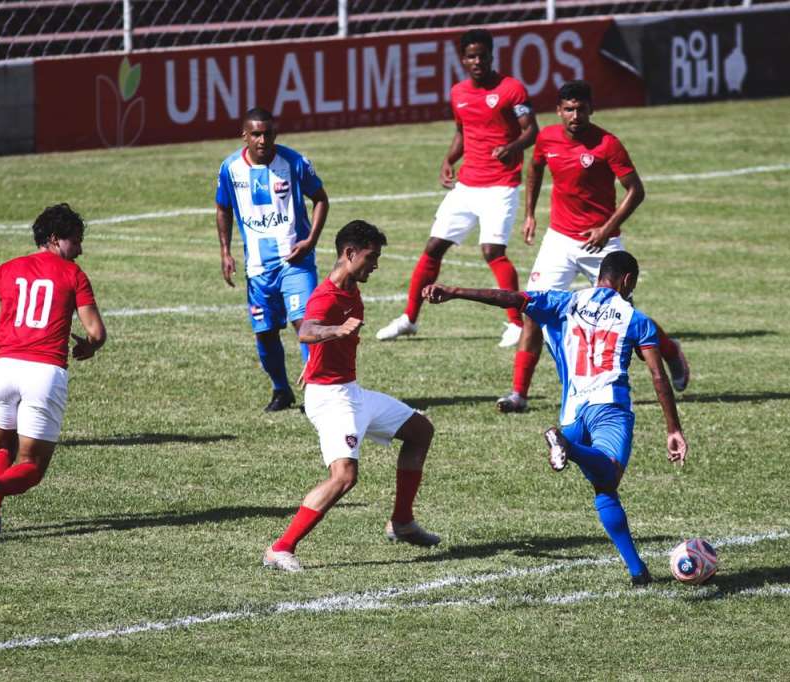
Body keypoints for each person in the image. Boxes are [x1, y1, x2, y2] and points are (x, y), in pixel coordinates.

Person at [423, 250, 687, 585]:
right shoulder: (636, 319)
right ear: (628, 281)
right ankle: (569, 447)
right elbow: (658, 377)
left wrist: (455, 292)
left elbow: (511, 298)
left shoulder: (566, 302)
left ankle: (638, 572)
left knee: (604, 490)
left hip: (573, 413)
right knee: (609, 476)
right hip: (609, 409)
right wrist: (673, 429)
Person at [497, 80, 689, 414]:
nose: (575, 115)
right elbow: (536, 169)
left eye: (581, 109)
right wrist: (529, 214)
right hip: (559, 239)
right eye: (568, 109)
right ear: (558, 111)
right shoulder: (546, 139)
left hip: (602, 242)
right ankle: (519, 395)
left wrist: (607, 229)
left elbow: (636, 190)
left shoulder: (607, 144)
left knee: (622, 318)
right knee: (532, 311)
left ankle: (670, 351)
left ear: (591, 109)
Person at [264, 220, 439, 572]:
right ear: (349, 253)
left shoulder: (349, 287)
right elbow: (307, 330)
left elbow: (317, 341)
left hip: (350, 391)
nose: (375, 264)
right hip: (331, 400)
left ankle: (402, 521)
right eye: (371, 257)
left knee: (420, 430)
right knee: (344, 477)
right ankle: (280, 548)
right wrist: (333, 332)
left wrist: (315, 360)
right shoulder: (327, 295)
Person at [0, 203, 106, 536]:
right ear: (55, 239)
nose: (80, 250)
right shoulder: (73, 275)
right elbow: (96, 332)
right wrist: (89, 346)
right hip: (43, 374)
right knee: (31, 467)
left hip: (5, 370)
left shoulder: (6, 268)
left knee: (3, 448)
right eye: (76, 240)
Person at [376, 28, 538, 348]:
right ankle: (409, 318)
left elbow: (531, 130)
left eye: (483, 55)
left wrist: (513, 146)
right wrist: (449, 159)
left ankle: (516, 324)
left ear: (492, 56)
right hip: (467, 183)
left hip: (501, 185)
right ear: (463, 59)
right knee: (434, 246)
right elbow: (462, 131)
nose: (477, 61)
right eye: (471, 56)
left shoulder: (511, 89)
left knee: (492, 251)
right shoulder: (459, 93)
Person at [216, 107, 330, 412]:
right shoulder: (229, 169)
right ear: (245, 136)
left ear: (275, 134)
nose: (262, 140)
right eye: (256, 134)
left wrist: (311, 241)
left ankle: (315, 393)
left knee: (305, 325)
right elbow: (223, 208)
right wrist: (225, 251)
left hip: (295, 262)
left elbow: (321, 199)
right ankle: (281, 390)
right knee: (264, 333)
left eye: (267, 133)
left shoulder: (294, 163)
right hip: (257, 269)